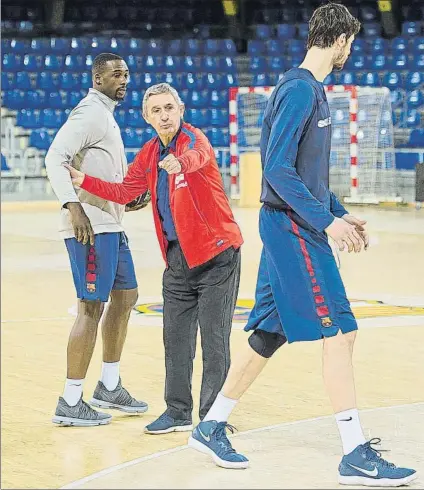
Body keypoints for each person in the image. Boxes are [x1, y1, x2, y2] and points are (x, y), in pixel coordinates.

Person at [186, 4, 417, 487]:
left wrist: (335, 211)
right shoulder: (299, 92)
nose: (350, 50)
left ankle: (211, 424)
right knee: (341, 333)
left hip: (293, 222)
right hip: (292, 229)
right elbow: (276, 170)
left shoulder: (309, 90)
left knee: (270, 333)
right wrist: (323, 224)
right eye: (349, 42)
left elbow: (305, 175)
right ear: (339, 41)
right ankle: (354, 451)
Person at [65, 83, 244, 434]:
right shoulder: (148, 154)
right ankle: (177, 411)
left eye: (169, 108)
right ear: (147, 117)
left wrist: (180, 163)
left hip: (217, 255)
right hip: (178, 261)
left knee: (214, 339)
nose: (164, 115)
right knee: (175, 339)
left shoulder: (194, 140)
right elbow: (125, 192)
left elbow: (199, 157)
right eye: (156, 111)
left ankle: (212, 419)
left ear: (180, 110)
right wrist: (84, 179)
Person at [45, 53, 148, 427]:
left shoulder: (106, 115)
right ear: (97, 77)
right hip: (89, 227)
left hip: (110, 224)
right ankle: (71, 401)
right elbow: (54, 157)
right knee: (91, 307)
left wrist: (124, 199)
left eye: (126, 73)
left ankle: (109, 385)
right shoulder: (89, 113)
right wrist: (74, 208)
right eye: (116, 74)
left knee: (126, 297)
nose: (124, 79)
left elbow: (101, 170)